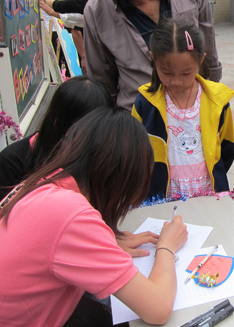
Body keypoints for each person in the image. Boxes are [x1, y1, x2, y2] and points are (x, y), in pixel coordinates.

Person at [0, 108, 189, 327]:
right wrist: (167, 246)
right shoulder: (71, 214)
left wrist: (107, 242)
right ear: (122, 178)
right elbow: (157, 309)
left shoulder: (47, 183)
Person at [80, 0, 221, 111]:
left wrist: (215, 104)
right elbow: (102, 83)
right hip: (138, 124)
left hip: (193, 116)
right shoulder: (96, 11)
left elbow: (208, 54)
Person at [132, 19, 234, 200]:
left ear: (201, 59)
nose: (176, 81)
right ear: (153, 58)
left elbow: (227, 147)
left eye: (186, 73)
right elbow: (135, 151)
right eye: (167, 72)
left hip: (208, 189)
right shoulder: (145, 103)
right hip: (162, 193)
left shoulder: (217, 101)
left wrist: (215, 172)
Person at [0, 76, 113, 200]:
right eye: (88, 132)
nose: (96, 139)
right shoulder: (11, 164)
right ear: (58, 124)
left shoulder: (100, 156)